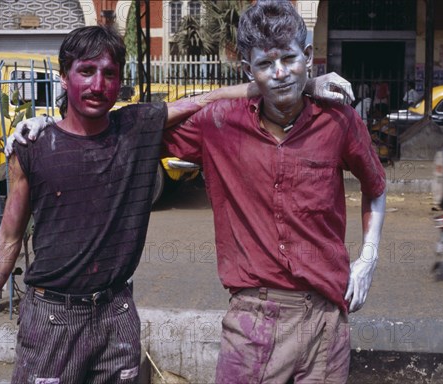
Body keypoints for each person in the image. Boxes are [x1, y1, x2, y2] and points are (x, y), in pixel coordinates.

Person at [0, 24, 354, 384]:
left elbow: (204, 99)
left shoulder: (136, 127)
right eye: (85, 72)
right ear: (63, 78)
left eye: (109, 74)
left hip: (116, 315)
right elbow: (7, 240)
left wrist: (299, 86)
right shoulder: (33, 148)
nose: (97, 85)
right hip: (51, 319)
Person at [163, 1, 386, 382]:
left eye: (289, 58)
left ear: (310, 56)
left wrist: (368, 258)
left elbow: (375, 187)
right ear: (248, 71)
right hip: (252, 321)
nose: (280, 73)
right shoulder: (219, 123)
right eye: (265, 65)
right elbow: (140, 126)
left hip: (326, 319)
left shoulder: (339, 121)